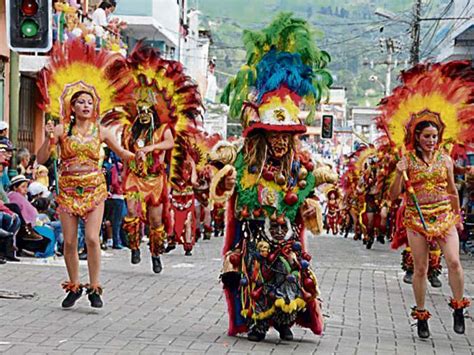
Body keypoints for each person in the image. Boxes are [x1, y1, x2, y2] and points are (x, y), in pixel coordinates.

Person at [215, 14, 332, 342]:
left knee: (293, 270)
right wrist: (226, 186)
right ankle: (256, 320)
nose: (279, 142)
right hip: (255, 234)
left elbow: (309, 196)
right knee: (255, 270)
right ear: (264, 136)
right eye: (274, 136)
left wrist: (310, 205)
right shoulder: (246, 163)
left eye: (285, 137)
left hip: (287, 234)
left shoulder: (301, 166)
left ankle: (285, 318)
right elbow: (230, 188)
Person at [36, 40, 134, 309]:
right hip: (67, 190)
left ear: (95, 106)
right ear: (72, 107)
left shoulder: (101, 132)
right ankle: (74, 285)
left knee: (91, 238)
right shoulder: (60, 131)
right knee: (69, 241)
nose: (86, 105)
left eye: (89, 101)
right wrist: (47, 139)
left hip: (94, 190)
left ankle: (94, 287)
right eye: (80, 102)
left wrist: (139, 155)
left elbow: (124, 154)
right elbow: (41, 159)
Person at [382, 61, 473, 339]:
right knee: (420, 268)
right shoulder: (406, 161)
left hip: (444, 215)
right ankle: (421, 314)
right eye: (427, 137)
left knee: (454, 262)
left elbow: (452, 190)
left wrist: (457, 216)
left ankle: (458, 307)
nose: (432, 141)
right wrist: (398, 175)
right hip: (416, 217)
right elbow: (394, 195)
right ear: (417, 138)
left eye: (435, 136)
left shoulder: (446, 160)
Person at [119, 44, 202, 273]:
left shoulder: (163, 128)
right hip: (135, 179)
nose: (144, 113)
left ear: (154, 111)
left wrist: (149, 148)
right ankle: (134, 247)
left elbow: (170, 144)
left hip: (155, 181)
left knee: (156, 222)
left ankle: (155, 254)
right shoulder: (129, 131)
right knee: (132, 214)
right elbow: (123, 151)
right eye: (140, 109)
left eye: (148, 109)